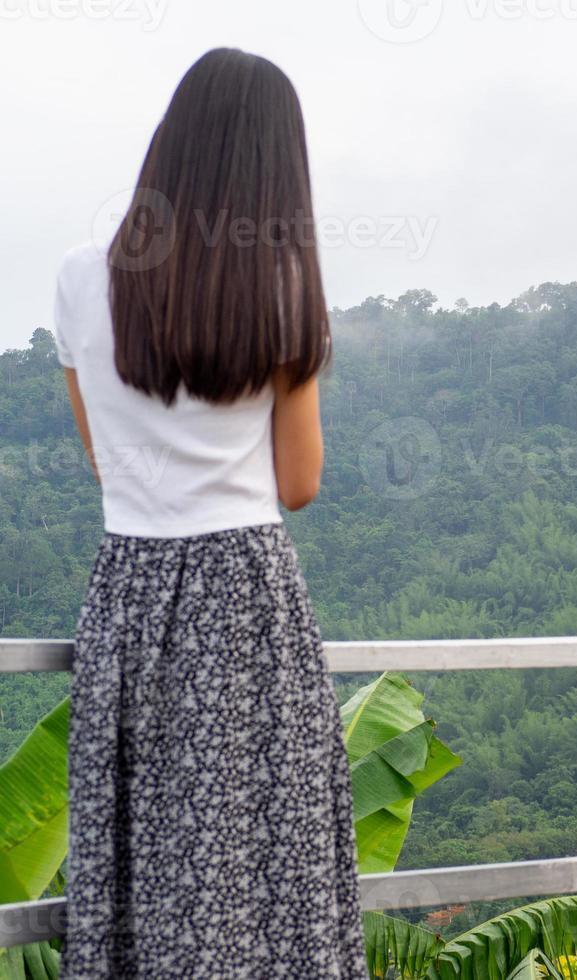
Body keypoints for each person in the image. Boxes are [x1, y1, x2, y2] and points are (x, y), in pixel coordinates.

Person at [52, 48, 368, 978]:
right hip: (243, 599)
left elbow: (103, 459)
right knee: (267, 866)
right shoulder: (281, 294)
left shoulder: (80, 275)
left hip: (128, 591)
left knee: (144, 854)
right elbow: (299, 482)